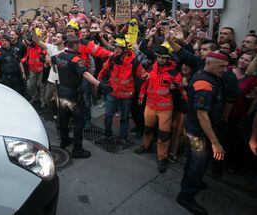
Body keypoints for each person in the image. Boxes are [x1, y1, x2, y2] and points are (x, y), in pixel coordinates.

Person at [177, 52, 229, 215]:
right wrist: (215, 142)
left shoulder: (204, 71)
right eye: (222, 67)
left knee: (195, 160)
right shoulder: (203, 84)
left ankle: (191, 181)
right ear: (210, 64)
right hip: (198, 131)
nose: (225, 70)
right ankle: (186, 196)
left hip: (199, 128)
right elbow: (202, 115)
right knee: (198, 163)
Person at [51, 35, 111, 158]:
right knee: (79, 121)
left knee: (64, 119)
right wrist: (99, 84)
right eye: (79, 44)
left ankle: (64, 140)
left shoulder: (60, 56)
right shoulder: (75, 60)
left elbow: (49, 60)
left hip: (61, 92)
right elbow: (85, 74)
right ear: (76, 45)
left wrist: (55, 71)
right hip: (73, 95)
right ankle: (77, 150)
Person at [135, 45, 183, 173]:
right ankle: (146, 146)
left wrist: (177, 86)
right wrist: (141, 96)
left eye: (163, 58)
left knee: (164, 135)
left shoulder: (174, 72)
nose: (160, 60)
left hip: (165, 109)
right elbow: (145, 83)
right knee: (147, 129)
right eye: (159, 57)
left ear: (168, 59)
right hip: (150, 105)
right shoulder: (151, 68)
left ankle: (162, 158)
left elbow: (181, 85)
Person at [97, 35, 146, 148]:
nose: (116, 49)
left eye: (119, 47)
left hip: (126, 96)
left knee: (124, 118)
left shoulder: (134, 62)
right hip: (112, 92)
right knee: (108, 115)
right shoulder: (113, 58)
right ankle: (107, 135)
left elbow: (143, 76)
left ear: (126, 49)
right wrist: (98, 82)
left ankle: (124, 138)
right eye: (116, 47)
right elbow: (104, 70)